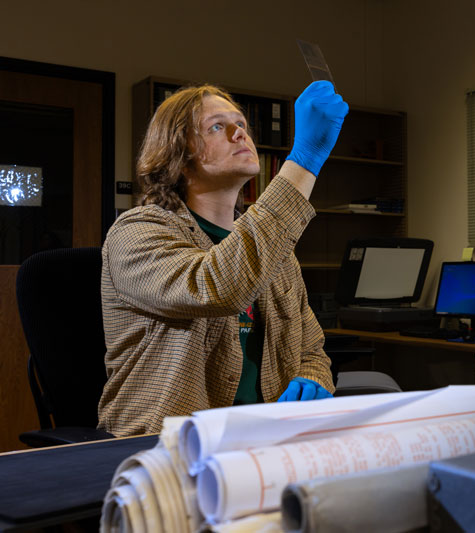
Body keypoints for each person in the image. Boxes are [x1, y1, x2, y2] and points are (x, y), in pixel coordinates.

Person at [98, 80, 348, 437]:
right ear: (178, 157)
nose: (239, 134)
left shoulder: (276, 250)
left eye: (242, 125)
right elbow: (214, 287)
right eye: (217, 126)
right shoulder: (136, 232)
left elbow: (311, 349)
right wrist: (304, 158)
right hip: (166, 447)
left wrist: (312, 378)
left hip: (268, 441)